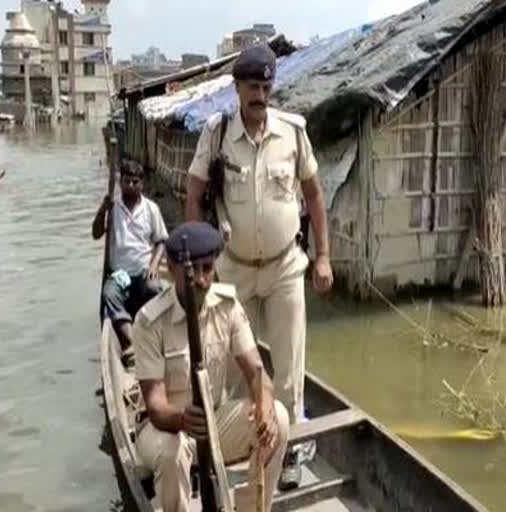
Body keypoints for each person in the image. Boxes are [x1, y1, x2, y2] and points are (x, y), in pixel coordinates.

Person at [184, 43, 334, 490]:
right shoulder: (216, 133)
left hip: (286, 264)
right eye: (252, 86)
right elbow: (193, 193)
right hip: (233, 268)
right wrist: (196, 263)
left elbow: (314, 196)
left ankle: (286, 454)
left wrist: (323, 256)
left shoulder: (292, 132)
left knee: (288, 369)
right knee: (229, 368)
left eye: (266, 86)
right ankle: (232, 448)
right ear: (237, 88)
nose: (259, 94)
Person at [133, 221, 289, 512]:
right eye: (195, 270)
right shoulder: (149, 322)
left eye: (209, 268)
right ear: (173, 269)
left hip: (212, 420)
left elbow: (256, 371)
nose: (203, 279)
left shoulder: (226, 306)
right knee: (172, 452)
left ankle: (253, 509)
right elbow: (155, 406)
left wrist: (264, 403)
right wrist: (183, 419)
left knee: (278, 418)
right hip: (164, 429)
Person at [92, 160, 168, 366]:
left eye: (135, 182)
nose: (131, 186)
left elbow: (161, 241)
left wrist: (153, 266)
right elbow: (96, 233)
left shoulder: (151, 209)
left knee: (158, 291)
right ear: (120, 182)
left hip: (144, 270)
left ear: (141, 183)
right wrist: (102, 210)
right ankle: (130, 341)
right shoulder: (113, 207)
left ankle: (159, 340)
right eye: (126, 182)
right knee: (109, 294)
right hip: (120, 274)